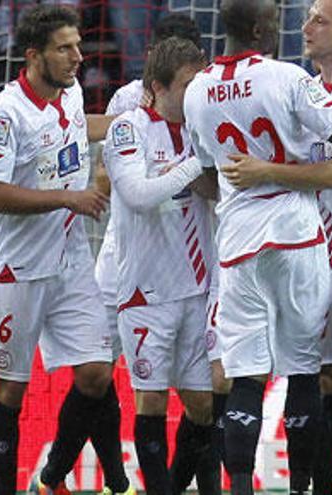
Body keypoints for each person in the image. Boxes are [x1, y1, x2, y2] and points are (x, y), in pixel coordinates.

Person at [182, 0, 332, 493]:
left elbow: (204, 175)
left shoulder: (197, 90)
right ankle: (304, 485)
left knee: (245, 377)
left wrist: (243, 189)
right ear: (263, 28)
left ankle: (241, 485)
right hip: (297, 232)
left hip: (238, 240)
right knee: (305, 369)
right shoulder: (285, 77)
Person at [0, 5, 130, 495]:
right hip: (18, 270)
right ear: (34, 55)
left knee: (98, 373)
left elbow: (81, 125)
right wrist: (68, 197)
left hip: (70, 260)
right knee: (10, 390)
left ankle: (55, 478)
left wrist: (134, 122)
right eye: (65, 48)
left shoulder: (71, 92)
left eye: (78, 46)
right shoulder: (5, 114)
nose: (78, 56)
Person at [93, 13, 223, 495]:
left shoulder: (199, 127)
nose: (196, 94)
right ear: (158, 86)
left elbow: (216, 193)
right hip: (147, 292)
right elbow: (138, 195)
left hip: (200, 287)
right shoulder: (128, 129)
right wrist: (196, 162)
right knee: (150, 403)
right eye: (188, 84)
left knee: (204, 407)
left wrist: (213, 167)